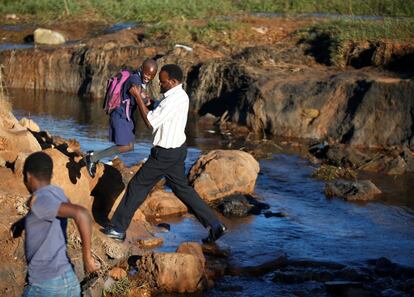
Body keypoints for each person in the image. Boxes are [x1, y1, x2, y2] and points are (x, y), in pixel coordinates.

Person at [102, 64, 227, 243]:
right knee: (183, 190)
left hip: (165, 154)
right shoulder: (180, 96)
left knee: (137, 186)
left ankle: (117, 228)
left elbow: (151, 122)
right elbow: (161, 110)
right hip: (177, 151)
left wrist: (137, 97)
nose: (159, 84)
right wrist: (151, 103)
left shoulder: (172, 100)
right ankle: (215, 225)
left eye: (162, 82)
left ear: (173, 81)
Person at [11, 151, 98, 297]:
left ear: (27, 177)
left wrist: (87, 258)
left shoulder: (40, 201)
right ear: (51, 176)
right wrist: (22, 223)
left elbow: (81, 214)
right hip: (70, 281)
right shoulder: (57, 193)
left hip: (45, 285)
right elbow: (48, 212)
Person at [84, 59, 158, 177]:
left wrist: (152, 102)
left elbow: (143, 97)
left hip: (125, 115)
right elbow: (137, 91)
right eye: (147, 73)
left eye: (152, 75)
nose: (148, 77)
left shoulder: (137, 78)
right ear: (141, 69)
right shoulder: (135, 80)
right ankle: (92, 157)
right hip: (120, 114)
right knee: (125, 146)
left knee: (129, 146)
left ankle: (93, 155)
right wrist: (143, 99)